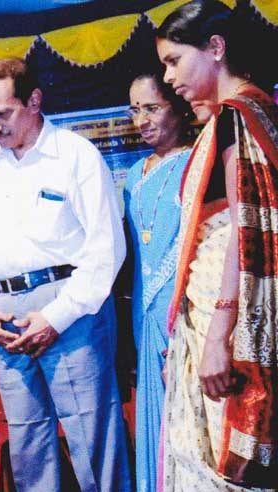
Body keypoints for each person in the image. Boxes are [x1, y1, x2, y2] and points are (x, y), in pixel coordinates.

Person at [0, 57, 131, 491]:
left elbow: (106, 250)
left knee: (93, 440)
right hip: (7, 321)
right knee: (28, 447)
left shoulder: (76, 156)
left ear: (34, 100)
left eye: (3, 114)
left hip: (71, 310)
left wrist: (55, 318)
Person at [156, 1, 277, 488]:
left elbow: (243, 235)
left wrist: (217, 340)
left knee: (222, 458)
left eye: (174, 61)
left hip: (226, 319)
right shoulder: (258, 110)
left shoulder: (236, 116)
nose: (168, 77)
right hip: (230, 315)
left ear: (215, 48)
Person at [121, 73, 194, 492]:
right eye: (135, 110)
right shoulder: (135, 174)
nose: (141, 120)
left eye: (152, 108)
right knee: (154, 415)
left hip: (184, 308)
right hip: (143, 312)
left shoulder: (198, 163)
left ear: (178, 108)